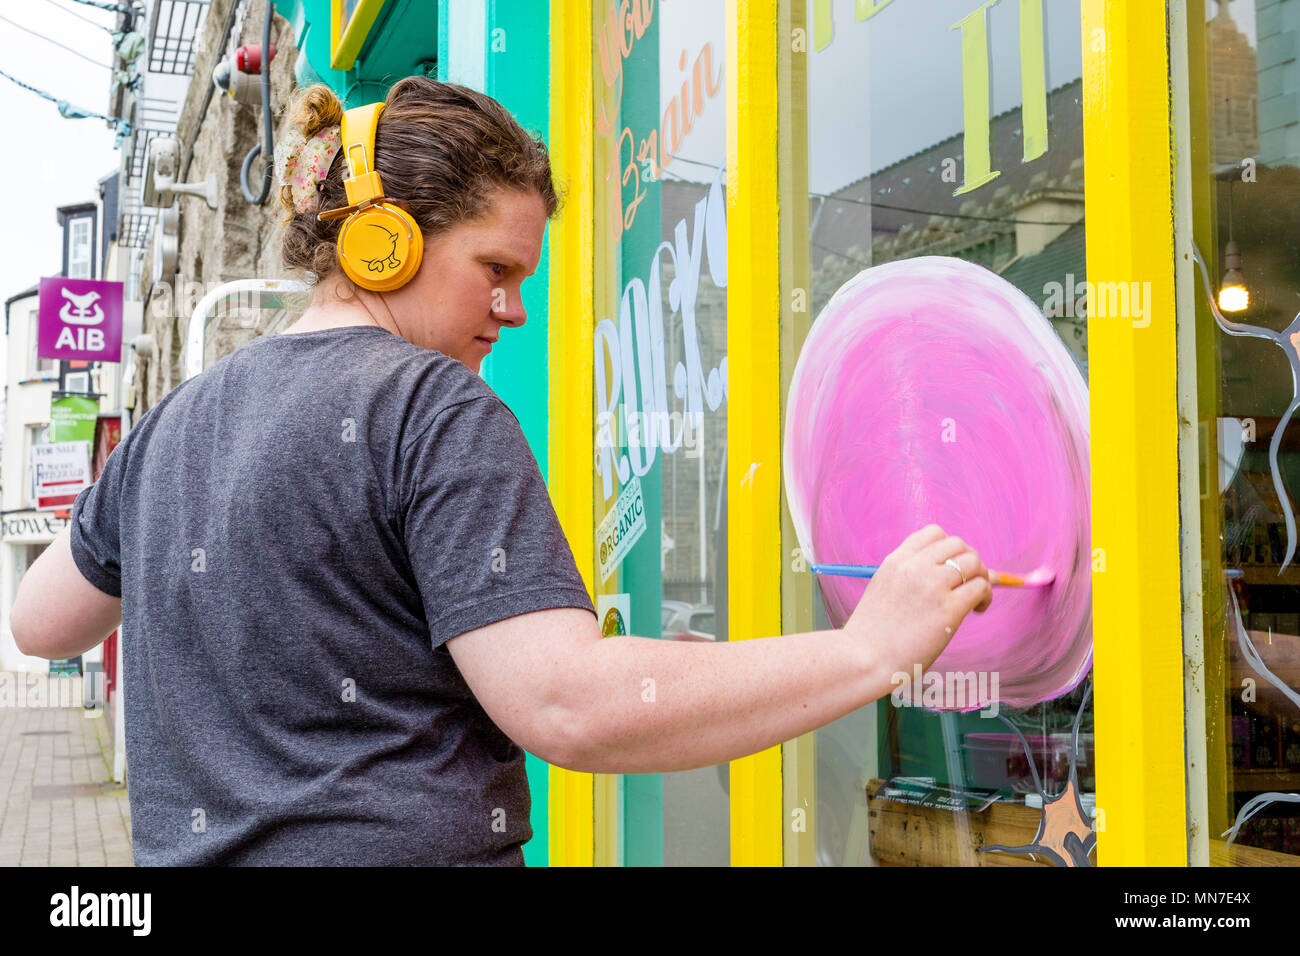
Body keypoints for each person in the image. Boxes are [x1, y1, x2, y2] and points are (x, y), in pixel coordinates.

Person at [11, 76, 993, 865]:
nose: (513, 307)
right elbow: (569, 703)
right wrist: (870, 651)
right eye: (495, 269)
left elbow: (42, 619)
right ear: (384, 244)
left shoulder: (170, 424)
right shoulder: (427, 405)